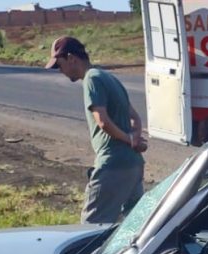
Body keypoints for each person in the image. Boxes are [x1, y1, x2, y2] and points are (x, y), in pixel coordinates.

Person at [46, 35, 147, 224]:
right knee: (133, 228)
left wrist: (128, 139)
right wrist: (134, 138)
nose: (60, 71)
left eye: (59, 65)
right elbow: (135, 118)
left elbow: (102, 121)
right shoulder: (108, 77)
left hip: (113, 165)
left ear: (71, 58)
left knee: (90, 229)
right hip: (134, 165)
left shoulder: (91, 79)